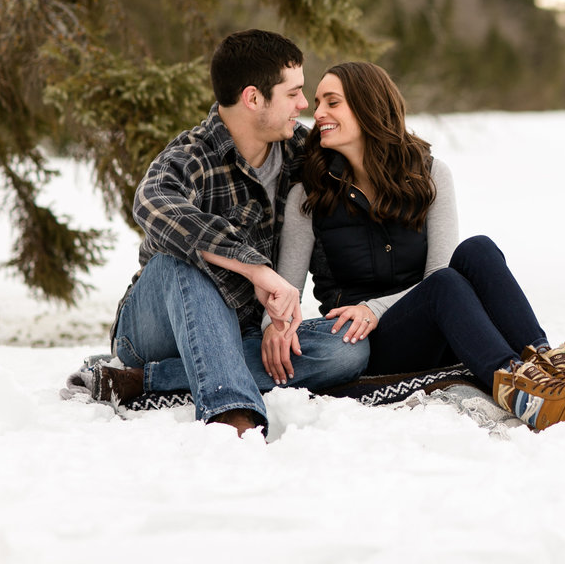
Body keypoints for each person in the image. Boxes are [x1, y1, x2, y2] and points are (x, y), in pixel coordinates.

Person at [274, 61, 565, 431]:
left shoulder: (428, 175)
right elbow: (286, 292)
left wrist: (374, 306)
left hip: (439, 318)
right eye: (317, 102)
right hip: (368, 344)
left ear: (368, 108)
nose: (317, 114)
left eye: (332, 103)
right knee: (444, 285)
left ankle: (549, 371)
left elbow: (438, 272)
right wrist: (281, 328)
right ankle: (523, 392)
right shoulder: (310, 194)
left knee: (477, 250)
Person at [92, 30, 372, 436]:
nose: (303, 105)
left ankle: (147, 381)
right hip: (155, 328)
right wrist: (256, 269)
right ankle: (231, 415)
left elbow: (341, 209)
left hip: (244, 331)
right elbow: (152, 203)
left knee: (347, 348)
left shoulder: (300, 155)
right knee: (184, 263)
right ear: (253, 98)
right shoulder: (191, 155)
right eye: (293, 93)